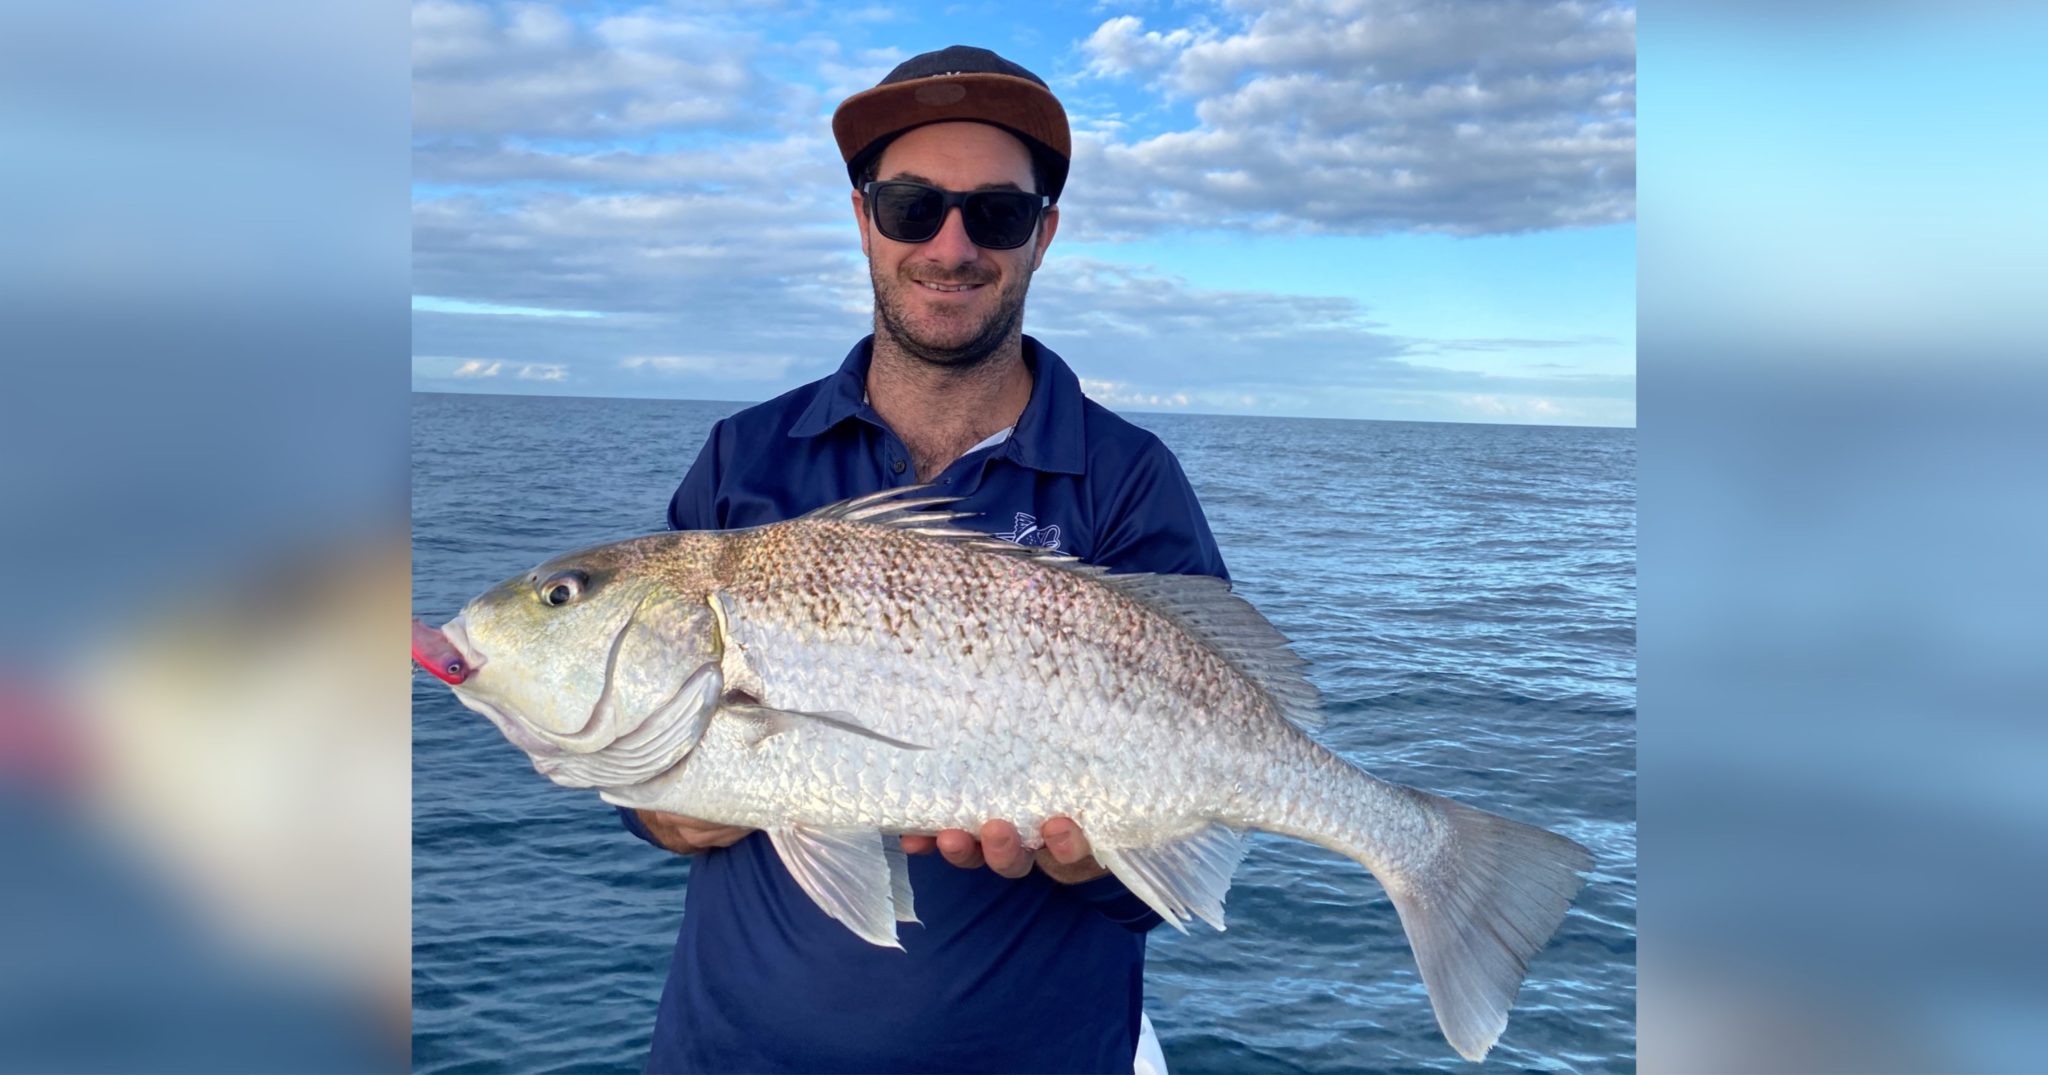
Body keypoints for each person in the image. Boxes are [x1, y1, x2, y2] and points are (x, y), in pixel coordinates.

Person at [619, 45, 1228, 1074]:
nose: (949, 246)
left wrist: (1090, 863)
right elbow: (660, 766)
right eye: (911, 206)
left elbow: (1179, 849)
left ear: (1041, 235)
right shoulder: (745, 456)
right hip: (729, 1052)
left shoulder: (1126, 478)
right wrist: (664, 809)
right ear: (863, 219)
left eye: (993, 214)